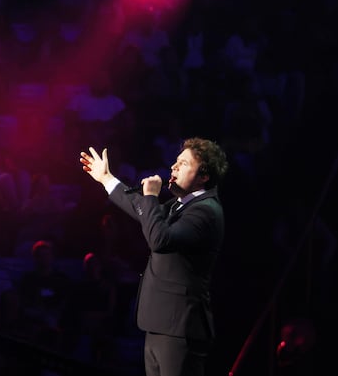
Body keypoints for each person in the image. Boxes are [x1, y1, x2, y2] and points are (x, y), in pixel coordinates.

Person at [79, 137, 228, 376]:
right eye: (176, 162)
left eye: (184, 164)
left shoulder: (205, 211)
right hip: (160, 323)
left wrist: (150, 197)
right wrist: (106, 179)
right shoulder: (178, 205)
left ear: (204, 176)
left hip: (180, 327)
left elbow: (160, 240)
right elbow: (143, 212)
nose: (174, 167)